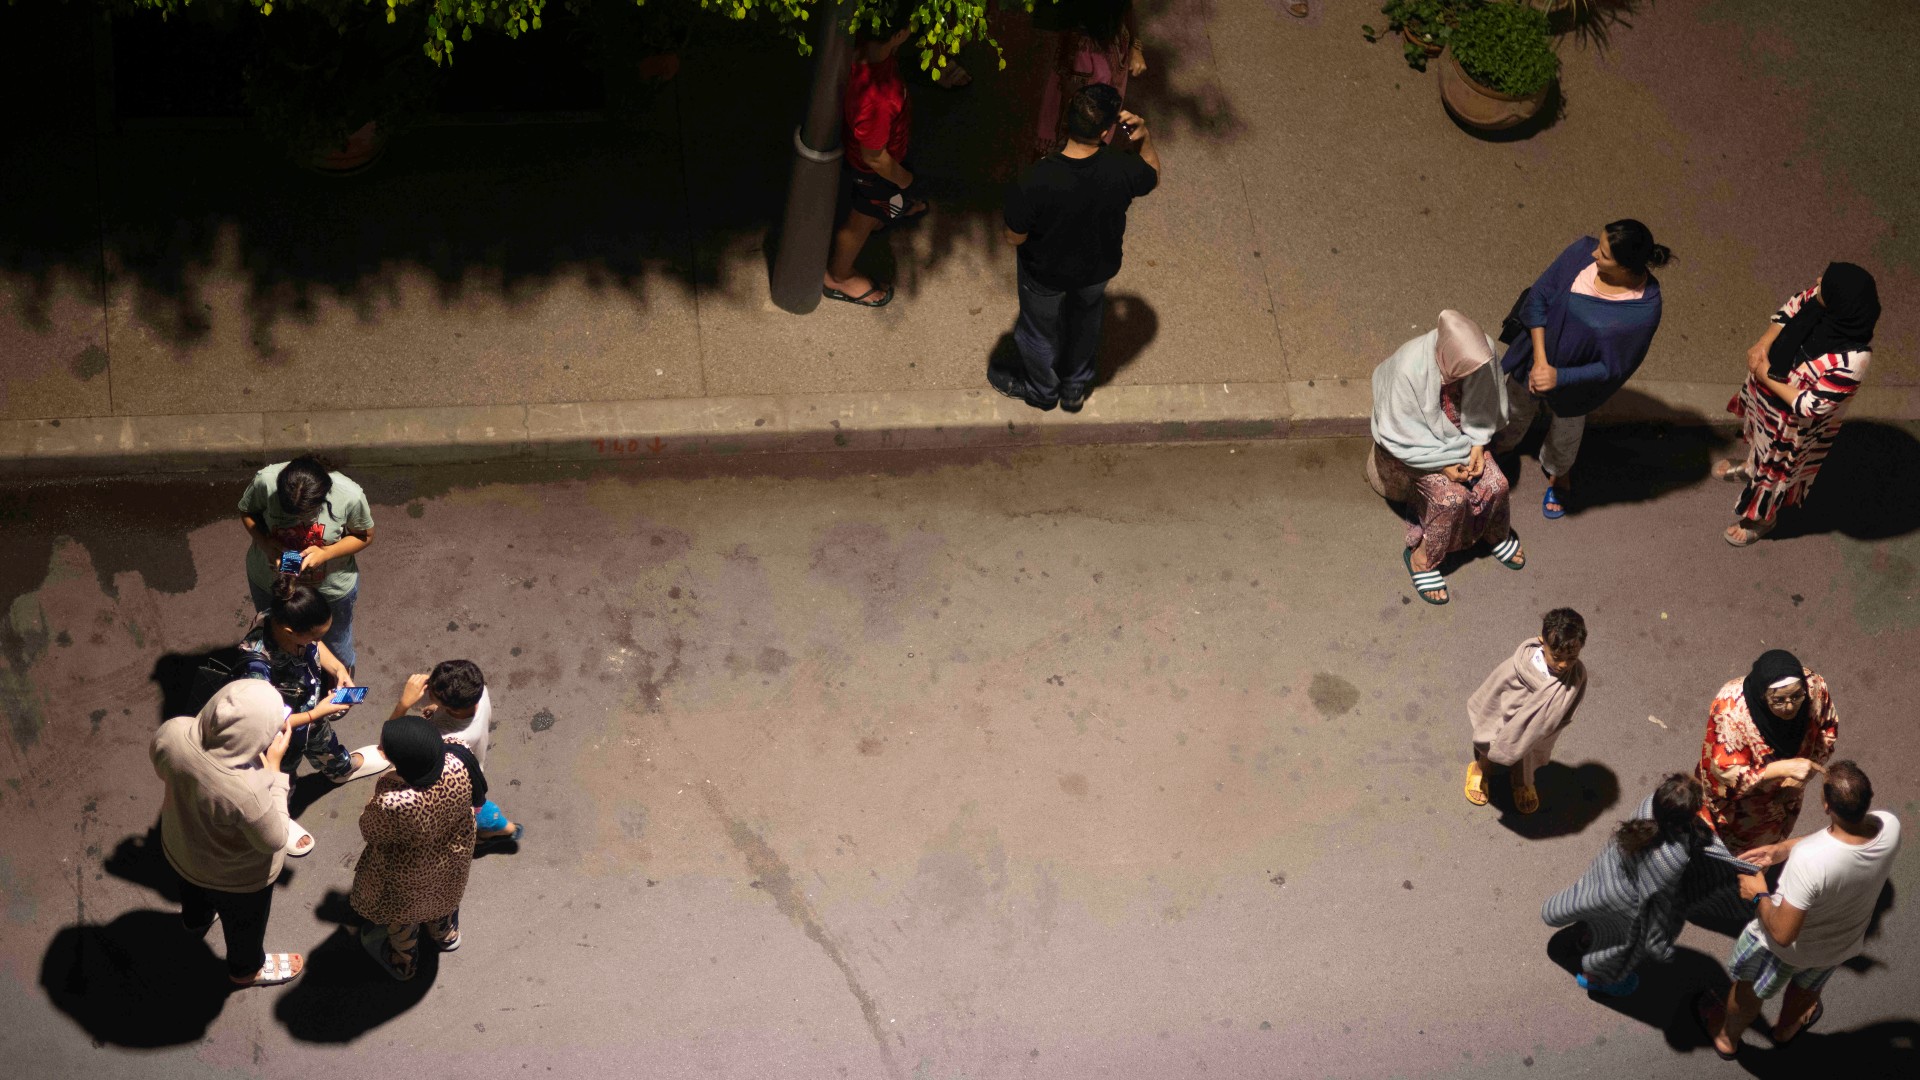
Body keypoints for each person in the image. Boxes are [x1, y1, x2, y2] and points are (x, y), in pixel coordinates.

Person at [1697, 761, 1901, 1059]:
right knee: (1806, 991)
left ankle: (1727, 1038)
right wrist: (1782, 849)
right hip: (1838, 944)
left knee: (1749, 991)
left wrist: (1758, 895)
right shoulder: (1888, 825)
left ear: (1826, 805)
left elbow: (1781, 933)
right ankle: (1785, 1031)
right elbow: (1838, 838)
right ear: (1869, 796)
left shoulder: (1809, 862)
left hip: (1781, 951)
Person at [996, 83, 1160, 413]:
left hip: (1045, 275)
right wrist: (1143, 136)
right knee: (1087, 316)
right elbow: (1152, 174)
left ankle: (1043, 391)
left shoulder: (1034, 179)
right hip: (1097, 269)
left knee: (1038, 332)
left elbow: (1014, 237)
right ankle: (1074, 389)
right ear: (1106, 130)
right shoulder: (1122, 168)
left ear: (1067, 122)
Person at [1494, 222, 1670, 519]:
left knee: (1567, 432)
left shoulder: (1643, 310)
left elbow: (1613, 368)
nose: (1593, 253)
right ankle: (1501, 450)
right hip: (1534, 362)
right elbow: (1538, 297)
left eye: (1603, 253)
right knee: (1514, 410)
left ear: (1626, 268)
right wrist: (1540, 361)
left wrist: (1558, 377)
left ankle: (1558, 472)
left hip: (1577, 386)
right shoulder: (1580, 254)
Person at [149, 680, 305, 987]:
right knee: (244, 927)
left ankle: (196, 921)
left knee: (193, 897)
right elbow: (274, 839)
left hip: (180, 848)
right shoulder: (247, 788)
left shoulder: (174, 730)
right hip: (237, 878)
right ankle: (246, 969)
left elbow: (161, 767)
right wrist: (274, 773)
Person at [1715, 263, 1880, 546]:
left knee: (1778, 470)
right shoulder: (1819, 299)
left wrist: (1763, 374)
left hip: (1791, 426)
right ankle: (1752, 468)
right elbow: (1787, 311)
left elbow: (1811, 406)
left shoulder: (1853, 359)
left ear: (1840, 302)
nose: (1817, 282)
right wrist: (1762, 344)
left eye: (1825, 284)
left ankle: (1763, 519)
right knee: (1759, 443)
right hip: (1767, 402)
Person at [1367, 310, 1521, 605]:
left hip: (1460, 440)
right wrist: (1443, 466)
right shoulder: (1407, 368)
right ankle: (1422, 559)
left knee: (1497, 483)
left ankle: (1494, 534)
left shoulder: (1481, 352)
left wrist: (1478, 443)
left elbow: (1485, 403)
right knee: (1450, 499)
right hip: (1418, 450)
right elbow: (1401, 433)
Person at [1543, 774, 1713, 996]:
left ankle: (1586, 937)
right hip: (1626, 905)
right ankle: (1595, 979)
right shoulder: (1674, 855)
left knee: (1594, 915)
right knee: (1616, 949)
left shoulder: (1648, 805)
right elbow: (1659, 897)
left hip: (1603, 879)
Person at [350, 715, 485, 981]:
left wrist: (373, 800)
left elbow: (371, 832)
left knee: (404, 914)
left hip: (410, 873)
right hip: (454, 854)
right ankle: (446, 935)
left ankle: (404, 961)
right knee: (445, 895)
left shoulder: (394, 801)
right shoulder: (458, 757)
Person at [822, 10, 924, 309]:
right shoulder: (877, 98)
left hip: (879, 162)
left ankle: (890, 210)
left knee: (882, 204)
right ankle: (838, 276)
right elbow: (875, 156)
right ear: (898, 35)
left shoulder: (859, 50)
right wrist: (904, 179)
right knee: (858, 223)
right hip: (875, 170)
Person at [238, 455, 375, 671]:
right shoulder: (265, 481)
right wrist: (266, 544)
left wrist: (326, 553)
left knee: (336, 642)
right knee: (279, 636)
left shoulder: (349, 495)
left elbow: (364, 536)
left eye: (308, 512)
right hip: (270, 583)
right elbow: (247, 512)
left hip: (330, 590)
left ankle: (338, 678)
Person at [1696, 649, 1838, 855]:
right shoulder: (1730, 711)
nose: (1789, 706)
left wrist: (1804, 776)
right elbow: (1722, 773)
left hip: (1783, 798)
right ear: (1762, 696)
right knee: (1723, 849)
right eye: (1778, 700)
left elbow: (1828, 730)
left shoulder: (1814, 687)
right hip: (1740, 807)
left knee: (1764, 849)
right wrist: (1779, 769)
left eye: (1797, 697)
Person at [391, 660, 524, 852]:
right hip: (473, 766)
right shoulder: (478, 691)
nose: (427, 693)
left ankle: (505, 830)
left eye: (432, 695)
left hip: (458, 781)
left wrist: (403, 705)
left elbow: (388, 744)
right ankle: (503, 829)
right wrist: (438, 707)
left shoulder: (447, 738)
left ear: (452, 709)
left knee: (475, 812)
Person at [1465, 607, 1587, 814]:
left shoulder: (1576, 674)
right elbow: (1495, 699)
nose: (1563, 664)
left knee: (1529, 752)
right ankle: (1481, 769)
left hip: (1540, 729)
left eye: (1572, 658)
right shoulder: (1517, 670)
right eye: (1556, 657)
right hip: (1506, 724)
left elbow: (1570, 703)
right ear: (1542, 642)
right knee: (1492, 745)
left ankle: (1522, 781)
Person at [239, 586, 364, 784]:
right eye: (314, 637)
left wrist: (338, 669)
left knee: (324, 743)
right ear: (291, 632)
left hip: (310, 712)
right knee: (283, 776)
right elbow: (265, 722)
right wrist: (314, 714)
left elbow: (314, 645)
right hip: (287, 735)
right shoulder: (256, 669)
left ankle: (339, 769)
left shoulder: (282, 616)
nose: (317, 642)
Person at [1031, 0, 1147, 159]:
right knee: (1072, 121)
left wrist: (1135, 45)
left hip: (1111, 49)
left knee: (1100, 120)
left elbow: (1126, 5)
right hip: (1080, 54)